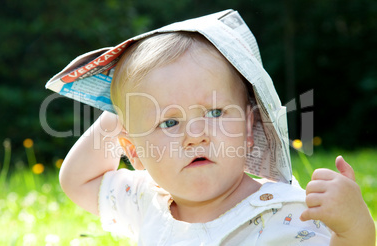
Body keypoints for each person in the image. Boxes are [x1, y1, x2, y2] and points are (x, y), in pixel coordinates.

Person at [57, 17, 375, 246]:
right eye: (169, 122)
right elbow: (77, 180)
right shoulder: (145, 200)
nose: (195, 135)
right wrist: (123, 109)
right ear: (134, 150)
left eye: (214, 112)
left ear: (250, 129)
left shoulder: (283, 212)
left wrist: (354, 229)